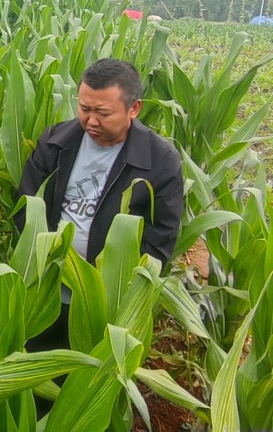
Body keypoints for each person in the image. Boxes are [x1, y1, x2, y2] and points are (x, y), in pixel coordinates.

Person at [18, 58, 183, 362]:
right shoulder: (56, 141)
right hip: (46, 290)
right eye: (84, 109)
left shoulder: (159, 161)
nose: (90, 121)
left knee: (88, 378)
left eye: (103, 113)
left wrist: (115, 284)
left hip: (105, 303)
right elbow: (27, 205)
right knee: (36, 376)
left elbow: (160, 238)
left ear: (134, 109)